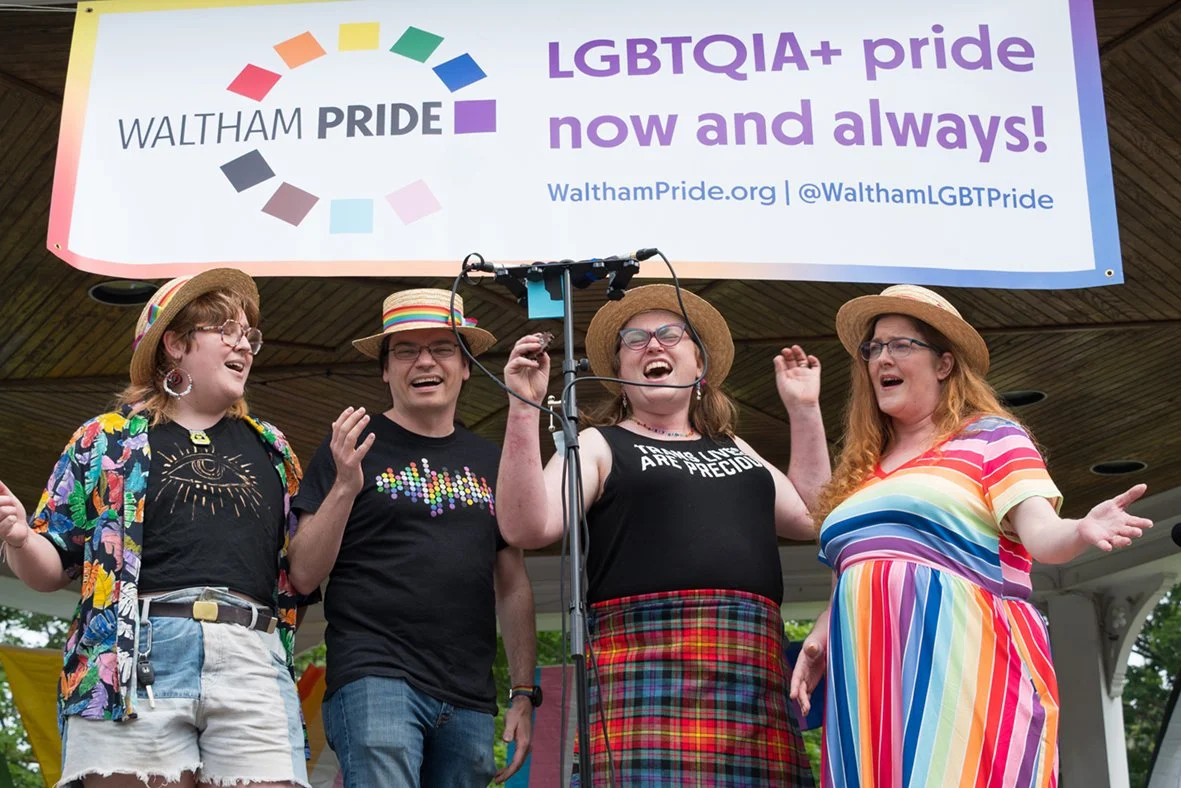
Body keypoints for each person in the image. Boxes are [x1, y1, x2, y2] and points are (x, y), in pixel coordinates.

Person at [810, 284, 1154, 788]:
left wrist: (1081, 529)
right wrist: (819, 638)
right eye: (873, 348)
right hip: (867, 683)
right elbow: (855, 573)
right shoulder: (860, 474)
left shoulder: (991, 437)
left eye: (900, 344)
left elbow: (1042, 536)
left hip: (964, 669)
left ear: (944, 364)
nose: (882, 357)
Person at [497, 284, 830, 786]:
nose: (652, 345)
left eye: (669, 334)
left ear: (699, 366)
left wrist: (804, 410)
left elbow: (813, 517)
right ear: (619, 375)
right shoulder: (597, 442)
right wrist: (523, 409)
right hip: (642, 677)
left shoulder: (735, 446)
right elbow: (529, 525)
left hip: (752, 678)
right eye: (635, 339)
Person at [0, 269, 312, 788]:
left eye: (249, 335)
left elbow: (301, 571)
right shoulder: (106, 439)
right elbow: (50, 569)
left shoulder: (274, 450)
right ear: (175, 344)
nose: (244, 345)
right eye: (225, 330)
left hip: (251, 655)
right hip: (132, 658)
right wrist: (18, 538)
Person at [286, 288, 537, 788]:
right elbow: (302, 572)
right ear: (385, 370)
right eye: (405, 350)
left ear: (465, 366)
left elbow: (513, 584)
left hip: (469, 694)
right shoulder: (350, 449)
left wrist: (524, 692)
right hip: (374, 675)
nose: (425, 361)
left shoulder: (494, 461)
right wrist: (344, 486)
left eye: (442, 348)